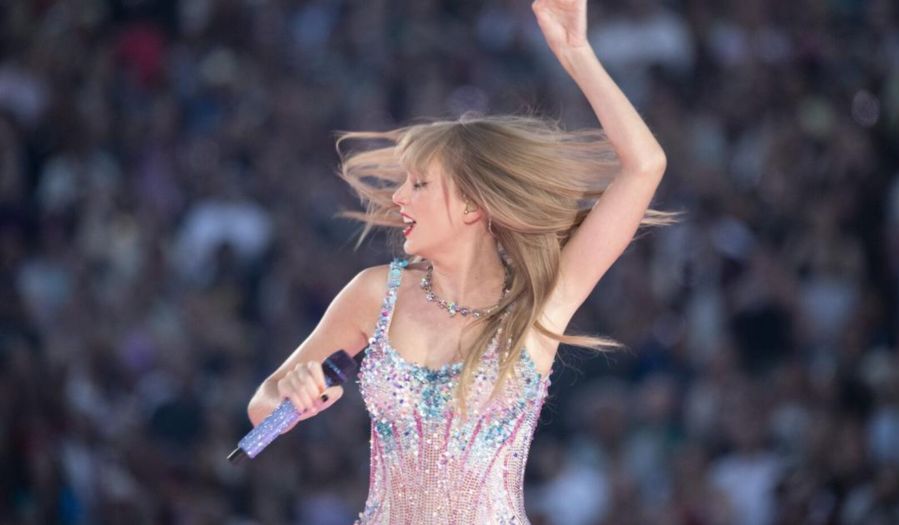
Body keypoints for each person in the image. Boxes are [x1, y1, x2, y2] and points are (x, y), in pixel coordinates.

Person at [245, 1, 680, 522]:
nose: (398, 198)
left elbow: (644, 165)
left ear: (474, 206)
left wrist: (575, 52)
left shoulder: (538, 303)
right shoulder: (375, 293)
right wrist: (290, 397)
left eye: (419, 184)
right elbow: (262, 406)